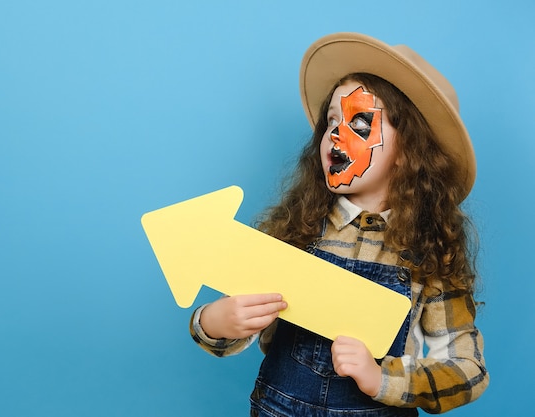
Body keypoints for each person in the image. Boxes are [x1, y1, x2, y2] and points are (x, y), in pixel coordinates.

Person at [189, 32, 489, 416]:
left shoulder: (430, 249)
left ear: (409, 153)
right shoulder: (296, 228)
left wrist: (382, 380)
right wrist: (215, 322)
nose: (335, 136)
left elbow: (468, 370)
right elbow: (236, 326)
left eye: (359, 124)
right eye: (332, 121)